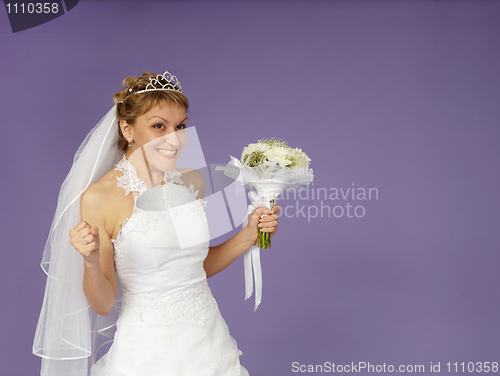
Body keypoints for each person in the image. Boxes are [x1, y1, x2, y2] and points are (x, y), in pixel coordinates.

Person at [33, 71, 280, 376]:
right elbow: (103, 304)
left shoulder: (193, 180)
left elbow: (195, 266)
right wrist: (91, 262)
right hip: (146, 353)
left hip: (209, 343)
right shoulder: (99, 197)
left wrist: (249, 234)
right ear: (128, 129)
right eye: (158, 126)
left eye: (180, 126)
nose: (174, 139)